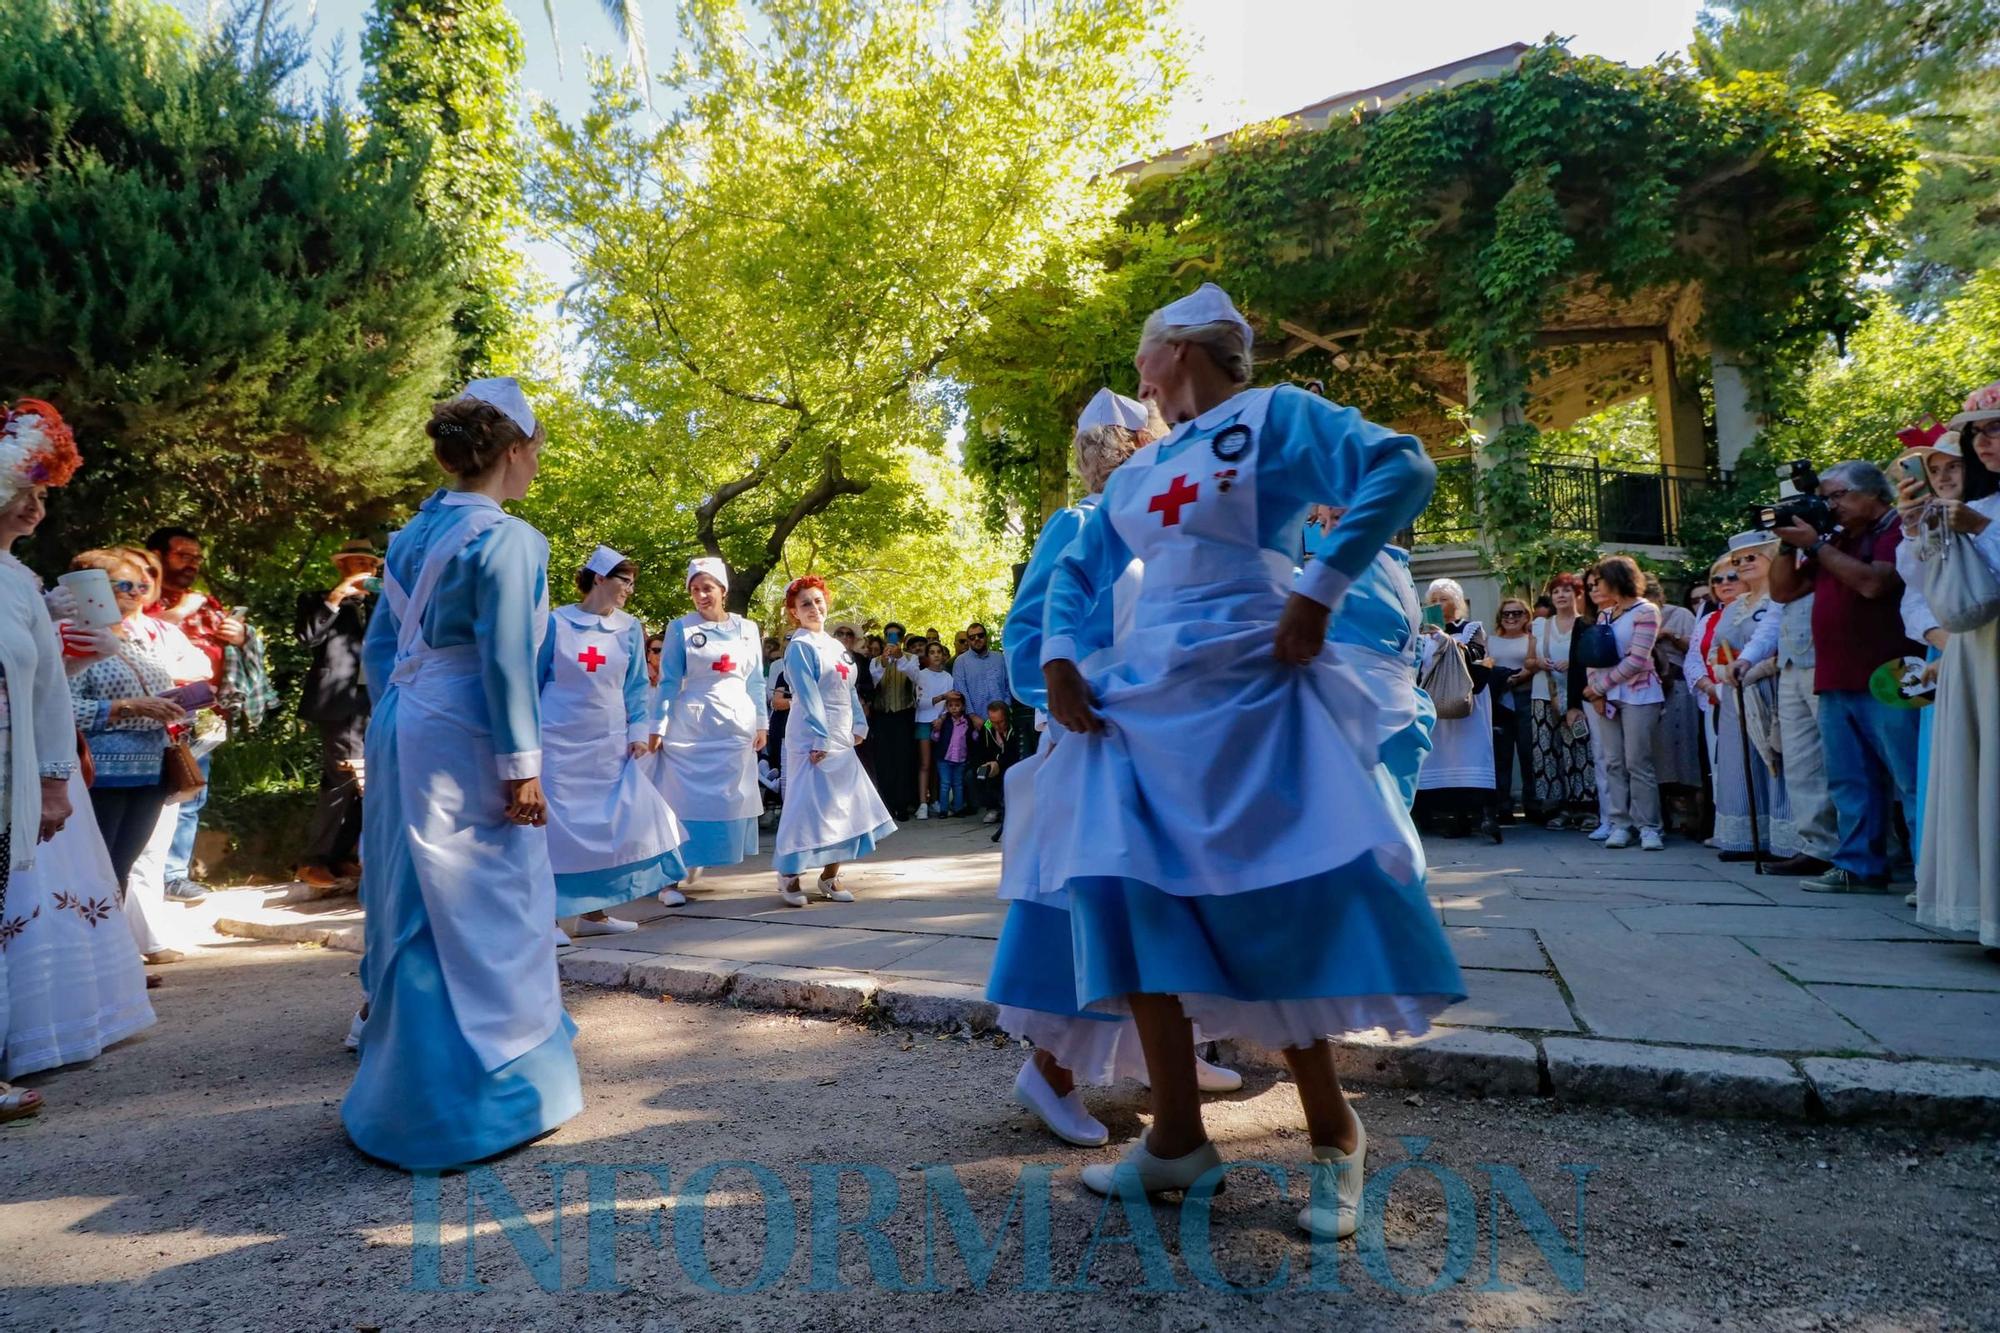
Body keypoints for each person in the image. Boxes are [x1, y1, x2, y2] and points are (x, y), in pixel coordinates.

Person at [1037, 283, 1462, 1240]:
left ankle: (1332, 1131)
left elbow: (1399, 465)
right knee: (1129, 898)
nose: (1137, 370)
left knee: (1270, 905)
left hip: (1251, 682)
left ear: (1174, 348)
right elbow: (1078, 568)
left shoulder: (1276, 415)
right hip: (1140, 704)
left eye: (1143, 351)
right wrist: (1062, 654)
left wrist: (1317, 590)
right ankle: (1178, 1136)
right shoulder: (1141, 472)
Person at [988, 387, 1242, 1148]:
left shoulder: (1169, 523)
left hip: (1165, 738)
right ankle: (1051, 1071)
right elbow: (1028, 631)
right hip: (1099, 741)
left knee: (1179, 896)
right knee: (1092, 908)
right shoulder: (1080, 524)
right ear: (1130, 448)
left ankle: (1177, 1052)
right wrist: (1071, 697)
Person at [342, 377, 581, 1171]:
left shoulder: (411, 536)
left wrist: (399, 723)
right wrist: (523, 767)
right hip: (471, 728)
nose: (539, 463)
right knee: (490, 898)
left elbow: (382, 649)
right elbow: (507, 657)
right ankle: (486, 1102)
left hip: (406, 720)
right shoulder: (510, 540)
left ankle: (397, 1098)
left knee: (411, 892)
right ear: (513, 450)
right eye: (537, 448)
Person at [1768, 460, 1922, 894]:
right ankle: (1859, 866)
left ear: (1872, 494)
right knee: (1849, 778)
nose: (1829, 505)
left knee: (1911, 777)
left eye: (1838, 495)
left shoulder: (1895, 528)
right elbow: (1782, 591)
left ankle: (1932, 872)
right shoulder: (1835, 539)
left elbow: (1874, 584)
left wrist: (1816, 546)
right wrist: (1786, 543)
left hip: (1895, 672)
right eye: (1827, 497)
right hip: (1835, 675)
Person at [0, 398, 87, 1121]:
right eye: (25, 493)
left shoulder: (20, 584)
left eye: (40, 494)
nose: (36, 509)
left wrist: (55, 782)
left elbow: (49, 692)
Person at [541, 546, 687, 939]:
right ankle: (548, 918)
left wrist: (639, 730)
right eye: (625, 581)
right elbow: (534, 681)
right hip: (558, 744)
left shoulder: (628, 629)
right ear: (599, 578)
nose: (630, 590)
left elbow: (637, 686)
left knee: (611, 829)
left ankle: (594, 915)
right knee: (559, 833)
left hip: (608, 744)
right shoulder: (555, 623)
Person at [1902, 386, 2000, 941]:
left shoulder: (1981, 514)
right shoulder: (1976, 507)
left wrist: (1979, 530)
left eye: (1995, 428)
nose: (1983, 442)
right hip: (1974, 653)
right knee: (1977, 774)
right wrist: (1922, 531)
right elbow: (1924, 590)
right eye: (1977, 431)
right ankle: (1987, 914)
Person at [63, 549, 186, 893]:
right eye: (124, 584)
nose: (136, 592)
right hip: (101, 777)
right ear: (93, 589)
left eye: (140, 586)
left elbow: (158, 692)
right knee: (92, 875)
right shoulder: (74, 636)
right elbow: (59, 707)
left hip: (151, 772)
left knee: (120, 873)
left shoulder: (136, 639)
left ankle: (115, 945)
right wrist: (127, 707)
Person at [648, 556, 768, 898]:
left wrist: (762, 723)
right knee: (681, 800)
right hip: (692, 728)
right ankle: (667, 880)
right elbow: (669, 682)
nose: (702, 595)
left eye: (708, 588)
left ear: (723, 590)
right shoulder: (680, 628)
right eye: (695, 589)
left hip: (735, 726)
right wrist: (658, 726)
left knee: (727, 800)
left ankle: (696, 859)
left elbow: (756, 681)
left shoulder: (747, 629)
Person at [771, 576, 895, 907]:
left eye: (818, 600)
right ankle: (789, 874)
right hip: (811, 735)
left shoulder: (836, 646)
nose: (814, 608)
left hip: (840, 734)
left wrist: (859, 723)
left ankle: (829, 876)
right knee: (807, 806)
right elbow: (808, 696)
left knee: (845, 805)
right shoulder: (800, 647)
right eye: (805, 604)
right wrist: (820, 736)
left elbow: (848, 688)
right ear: (794, 612)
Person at [144, 526, 244, 903]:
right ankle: (136, 878)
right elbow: (132, 632)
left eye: (197, 558)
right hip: (149, 716)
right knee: (147, 798)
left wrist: (238, 636)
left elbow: (227, 644)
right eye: (183, 555)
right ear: (156, 555)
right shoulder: (138, 594)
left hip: (202, 717)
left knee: (191, 795)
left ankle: (173, 877)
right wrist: (181, 611)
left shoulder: (207, 601)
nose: (192, 564)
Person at [1732, 545, 1838, 876]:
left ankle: (1865, 847)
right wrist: (1748, 657)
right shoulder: (1789, 558)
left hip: (1829, 662)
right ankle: (1818, 846)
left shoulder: (1834, 545)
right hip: (1792, 666)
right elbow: (1776, 614)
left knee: (1839, 760)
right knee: (1800, 762)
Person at [1704, 534, 1796, 861]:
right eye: (1737, 560)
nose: (1742, 565)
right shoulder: (1733, 608)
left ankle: (1786, 839)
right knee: (1738, 762)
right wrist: (1721, 671)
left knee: (1776, 757)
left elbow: (1785, 643)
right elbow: (1715, 649)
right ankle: (1746, 839)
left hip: (1772, 688)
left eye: (1751, 558)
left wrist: (1758, 669)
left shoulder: (1781, 598)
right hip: (1736, 693)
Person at [294, 538, 378, 889]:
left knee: (367, 778)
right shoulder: (317, 600)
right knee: (345, 775)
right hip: (338, 701)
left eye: (368, 563)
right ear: (341, 567)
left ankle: (341, 856)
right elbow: (307, 637)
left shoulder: (383, 604)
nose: (362, 569)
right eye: (354, 562)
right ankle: (314, 860)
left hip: (376, 699)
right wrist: (336, 598)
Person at [1569, 555, 1665, 850]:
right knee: (1612, 761)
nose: (1595, 587)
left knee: (1638, 761)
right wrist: (1597, 693)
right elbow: (1594, 657)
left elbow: (1637, 660)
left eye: (1600, 581)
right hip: (1607, 697)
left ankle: (1649, 826)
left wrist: (1598, 687)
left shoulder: (1646, 611)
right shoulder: (1605, 615)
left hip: (1639, 695)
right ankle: (1620, 823)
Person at [1415, 578, 1498, 841]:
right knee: (1442, 758)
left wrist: (1447, 642)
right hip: (1437, 705)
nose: (1438, 605)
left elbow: (1477, 657)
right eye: (1434, 600)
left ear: (1457, 602)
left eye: (1444, 599)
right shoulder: (1423, 635)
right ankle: (1452, 817)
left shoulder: (1471, 629)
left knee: (1470, 755)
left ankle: (1485, 814)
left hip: (1466, 704)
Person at [1528, 573, 1596, 829]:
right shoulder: (1541, 625)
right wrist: (1538, 662)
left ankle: (1586, 807)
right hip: (1544, 695)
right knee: (1548, 751)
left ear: (1578, 594)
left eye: (1567, 590)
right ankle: (1557, 808)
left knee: (1579, 749)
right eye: (1557, 591)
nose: (1561, 596)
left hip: (1576, 696)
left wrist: (1575, 663)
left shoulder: (1587, 624)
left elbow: (1593, 658)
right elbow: (1528, 661)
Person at [1646, 574, 1704, 836]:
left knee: (1684, 752)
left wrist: (1670, 635)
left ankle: (1692, 814)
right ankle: (1661, 814)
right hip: (1648, 689)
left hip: (1679, 686)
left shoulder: (1679, 614)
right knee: (1655, 753)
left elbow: (1698, 648)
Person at [1486, 596, 1535, 824]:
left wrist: (1521, 676)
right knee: (1501, 756)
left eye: (1517, 613)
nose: (1512, 617)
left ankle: (1533, 805)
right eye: (1507, 614)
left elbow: (1534, 663)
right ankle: (1503, 806)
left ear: (1526, 616)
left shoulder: (1532, 639)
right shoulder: (1491, 641)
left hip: (1526, 698)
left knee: (1528, 754)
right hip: (1500, 701)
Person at [869, 623, 920, 820]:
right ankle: (886, 804)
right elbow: (873, 681)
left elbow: (916, 677)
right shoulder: (875, 661)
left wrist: (900, 659)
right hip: (882, 716)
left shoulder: (911, 659)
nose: (892, 638)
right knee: (884, 761)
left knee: (903, 759)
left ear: (901, 638)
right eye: (889, 635)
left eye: (896, 635)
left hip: (903, 715)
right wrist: (884, 660)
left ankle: (902, 804)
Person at [912, 641, 954, 818]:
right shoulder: (920, 676)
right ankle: (922, 802)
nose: (936, 655)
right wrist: (943, 696)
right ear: (927, 656)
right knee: (925, 763)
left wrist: (942, 718)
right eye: (932, 652)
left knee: (939, 764)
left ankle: (936, 800)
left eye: (939, 652)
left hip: (941, 723)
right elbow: (920, 703)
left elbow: (951, 704)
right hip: (923, 722)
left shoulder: (948, 678)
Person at [971, 699, 1024, 828]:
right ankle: (993, 808)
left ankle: (1010, 807)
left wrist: (998, 763)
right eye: (994, 722)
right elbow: (980, 751)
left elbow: (1015, 753)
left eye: (1000, 722)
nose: (997, 726)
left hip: (1010, 764)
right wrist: (983, 765)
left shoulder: (1016, 726)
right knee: (975, 775)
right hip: (992, 764)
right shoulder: (987, 727)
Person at [950, 621, 1010, 729]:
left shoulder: (999, 658)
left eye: (980, 635)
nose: (977, 639)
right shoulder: (961, 662)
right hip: (977, 722)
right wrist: (972, 716)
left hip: (1002, 720)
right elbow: (961, 691)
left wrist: (1006, 709)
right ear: (968, 641)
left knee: (1004, 745)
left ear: (986, 637)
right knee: (980, 745)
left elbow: (1007, 686)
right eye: (972, 637)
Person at [931, 691, 975, 818]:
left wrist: (978, 734)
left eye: (957, 705)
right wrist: (936, 731)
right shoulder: (944, 722)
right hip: (944, 758)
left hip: (960, 758)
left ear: (963, 707)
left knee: (958, 784)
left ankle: (958, 808)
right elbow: (935, 738)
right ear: (947, 707)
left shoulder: (967, 721)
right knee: (945, 784)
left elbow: (973, 736)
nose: (954, 708)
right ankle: (943, 810)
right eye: (951, 705)